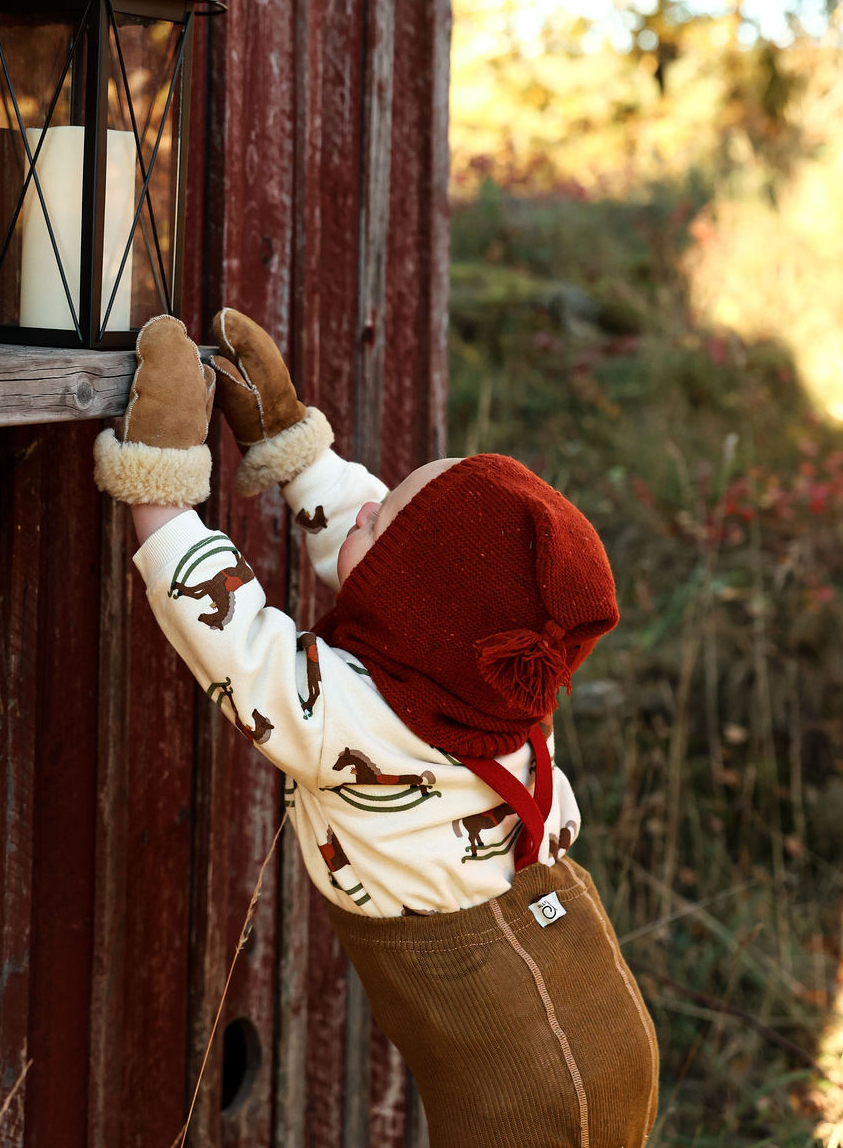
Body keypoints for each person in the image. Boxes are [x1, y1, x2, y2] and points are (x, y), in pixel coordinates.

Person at [93, 310, 659, 1148]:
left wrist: (165, 492)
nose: (362, 510)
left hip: (521, 1083)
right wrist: (294, 450)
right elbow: (387, 553)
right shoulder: (486, 684)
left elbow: (238, 645)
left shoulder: (357, 723)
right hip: (599, 1014)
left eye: (376, 520)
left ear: (416, 607)